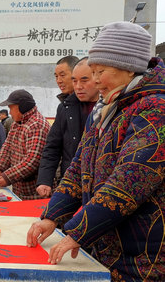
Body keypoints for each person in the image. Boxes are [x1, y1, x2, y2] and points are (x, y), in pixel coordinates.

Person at [26, 22, 164, 281]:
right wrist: (52, 217)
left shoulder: (156, 109)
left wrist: (78, 231)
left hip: (145, 256)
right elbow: (78, 168)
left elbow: (130, 180)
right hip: (108, 249)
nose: (96, 80)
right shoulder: (106, 109)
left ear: (129, 68)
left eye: (101, 71)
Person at [36, 57, 99, 198]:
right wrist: (45, 180)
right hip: (71, 183)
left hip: (100, 187)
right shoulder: (65, 107)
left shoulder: (110, 108)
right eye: (74, 81)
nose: (78, 86)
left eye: (84, 80)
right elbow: (52, 146)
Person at [0, 90, 50, 200]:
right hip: (19, 190)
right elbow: (7, 147)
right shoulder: (16, 123)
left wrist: (7, 177)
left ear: (22, 107)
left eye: (11, 108)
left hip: (34, 193)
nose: (10, 112)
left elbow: (32, 160)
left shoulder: (37, 125)